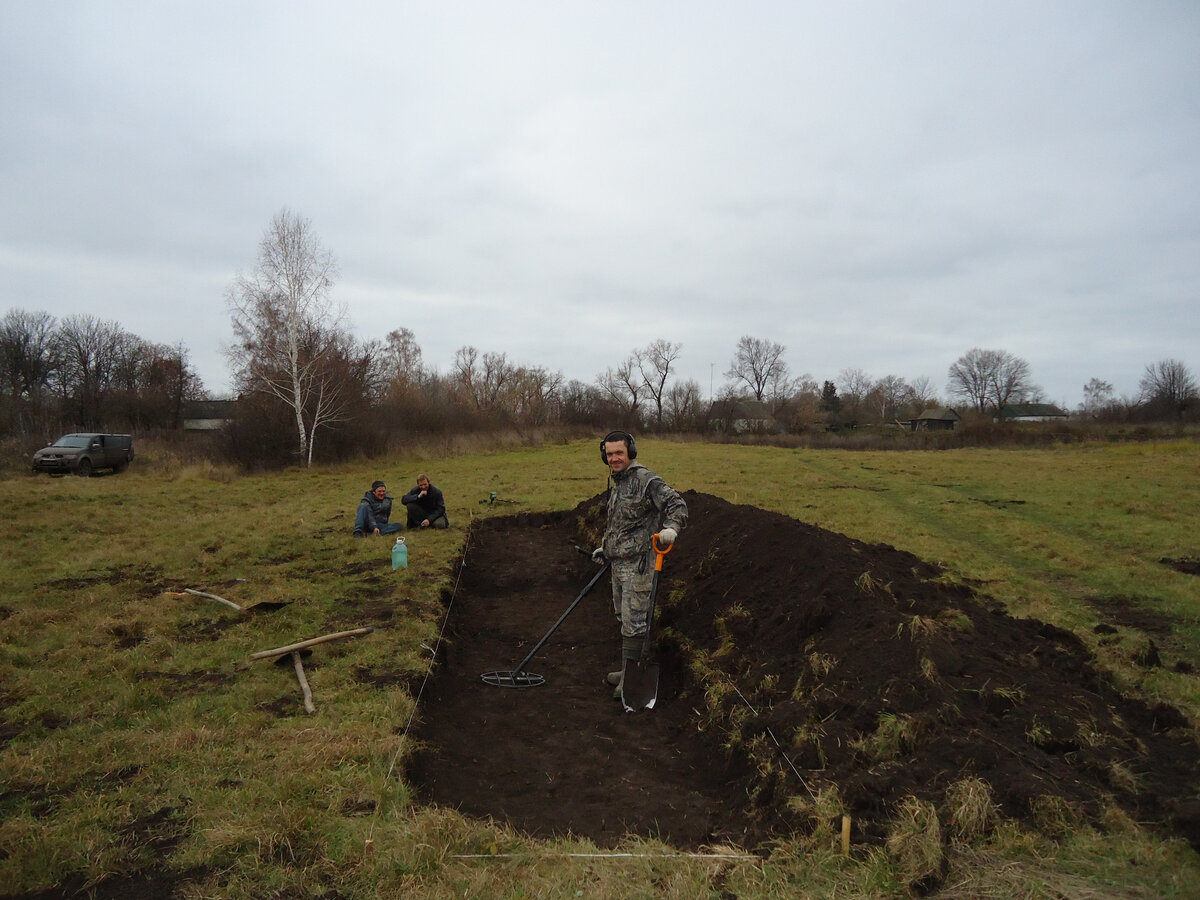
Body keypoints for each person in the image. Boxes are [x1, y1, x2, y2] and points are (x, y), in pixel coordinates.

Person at [592, 430, 687, 698]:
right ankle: (627, 668)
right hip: (618, 564)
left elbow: (676, 505)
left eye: (619, 453)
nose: (614, 458)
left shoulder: (646, 480)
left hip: (639, 565)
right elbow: (622, 522)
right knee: (624, 618)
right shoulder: (619, 482)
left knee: (635, 622)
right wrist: (606, 548)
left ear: (630, 452)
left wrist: (671, 530)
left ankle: (632, 679)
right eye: (609, 454)